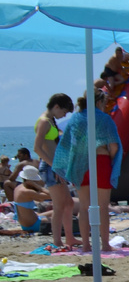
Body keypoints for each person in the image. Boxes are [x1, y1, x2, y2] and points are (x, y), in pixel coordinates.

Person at [53, 90, 122, 253]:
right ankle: (105, 244)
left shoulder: (75, 119)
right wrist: (111, 157)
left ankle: (86, 245)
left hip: (80, 164)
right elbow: (114, 144)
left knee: (84, 207)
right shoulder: (104, 119)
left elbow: (66, 144)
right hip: (101, 161)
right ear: (99, 102)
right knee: (103, 206)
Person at [35, 93, 76, 249]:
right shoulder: (44, 122)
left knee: (69, 203)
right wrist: (54, 166)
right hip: (50, 167)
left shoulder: (50, 120)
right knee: (59, 205)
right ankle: (57, 241)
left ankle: (70, 238)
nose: (63, 115)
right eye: (64, 112)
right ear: (56, 106)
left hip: (55, 166)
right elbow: (37, 148)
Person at [11, 166, 50, 234]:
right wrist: (38, 186)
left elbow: (39, 199)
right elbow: (52, 196)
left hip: (26, 223)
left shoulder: (19, 187)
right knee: (61, 219)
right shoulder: (27, 191)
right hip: (33, 225)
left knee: (54, 212)